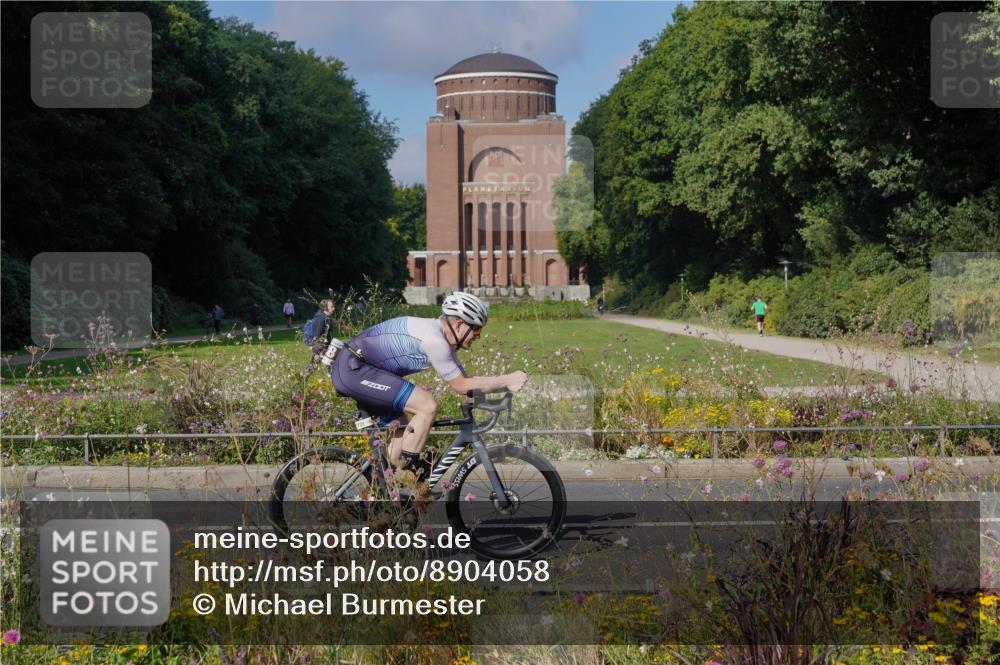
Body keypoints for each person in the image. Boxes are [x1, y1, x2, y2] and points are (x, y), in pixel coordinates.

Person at [329, 291, 527, 485]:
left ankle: (386, 493)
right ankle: (406, 480)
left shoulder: (444, 341)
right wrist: (506, 379)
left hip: (360, 369)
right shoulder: (435, 341)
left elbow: (466, 382)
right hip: (353, 370)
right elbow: (460, 386)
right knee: (427, 405)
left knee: (402, 432)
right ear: (459, 324)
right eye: (476, 329)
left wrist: (498, 391)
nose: (478, 336)